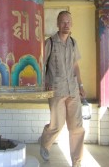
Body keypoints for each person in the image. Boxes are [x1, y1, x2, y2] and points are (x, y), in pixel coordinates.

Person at [39, 11, 85, 167]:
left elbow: (75, 66)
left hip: (73, 90)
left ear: (71, 24)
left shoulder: (73, 43)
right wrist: (45, 82)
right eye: (63, 22)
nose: (66, 25)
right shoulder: (50, 42)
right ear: (58, 24)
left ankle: (76, 162)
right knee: (57, 125)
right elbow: (41, 64)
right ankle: (45, 142)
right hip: (56, 90)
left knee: (77, 127)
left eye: (69, 22)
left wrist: (81, 85)